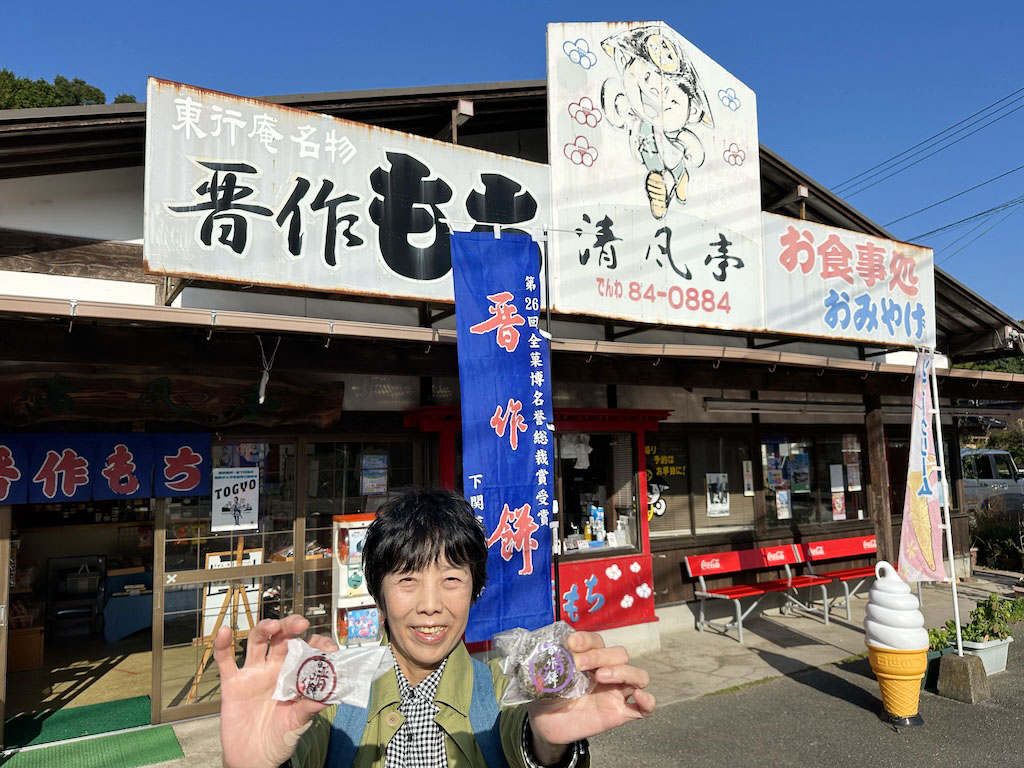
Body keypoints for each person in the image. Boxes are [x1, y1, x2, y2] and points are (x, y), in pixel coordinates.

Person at [216, 487, 655, 768]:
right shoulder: (332, 701)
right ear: (379, 595)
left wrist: (550, 746)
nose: (431, 606)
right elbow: (298, 748)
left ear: (474, 590)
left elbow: (523, 733)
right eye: (408, 580)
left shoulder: (504, 690)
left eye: (451, 580)